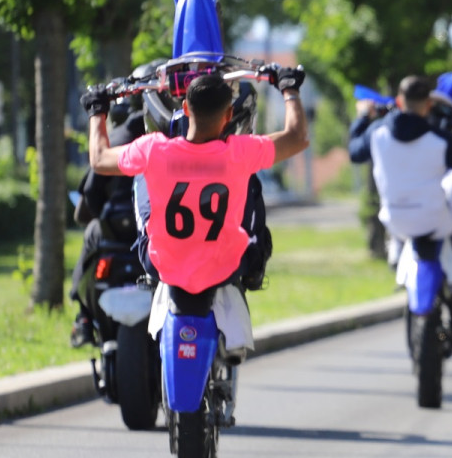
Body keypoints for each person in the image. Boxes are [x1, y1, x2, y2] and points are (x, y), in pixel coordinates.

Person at [80, 69, 308, 297]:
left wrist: (96, 110)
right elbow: (297, 137)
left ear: (186, 109)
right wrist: (289, 89)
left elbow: (99, 159)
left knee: (140, 173)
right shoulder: (241, 152)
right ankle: (256, 270)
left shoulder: (152, 149)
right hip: (226, 269)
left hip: (162, 267)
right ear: (229, 115)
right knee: (252, 179)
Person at [348, 75, 452, 270]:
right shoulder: (440, 140)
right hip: (435, 223)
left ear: (399, 101)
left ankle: (396, 246)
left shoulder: (377, 132)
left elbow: (355, 153)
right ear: (428, 105)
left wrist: (363, 117)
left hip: (394, 221)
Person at [69, 103, 144, 347]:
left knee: (91, 231)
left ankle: (83, 317)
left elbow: (89, 196)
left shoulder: (115, 140)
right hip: (157, 232)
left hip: (116, 232)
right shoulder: (170, 137)